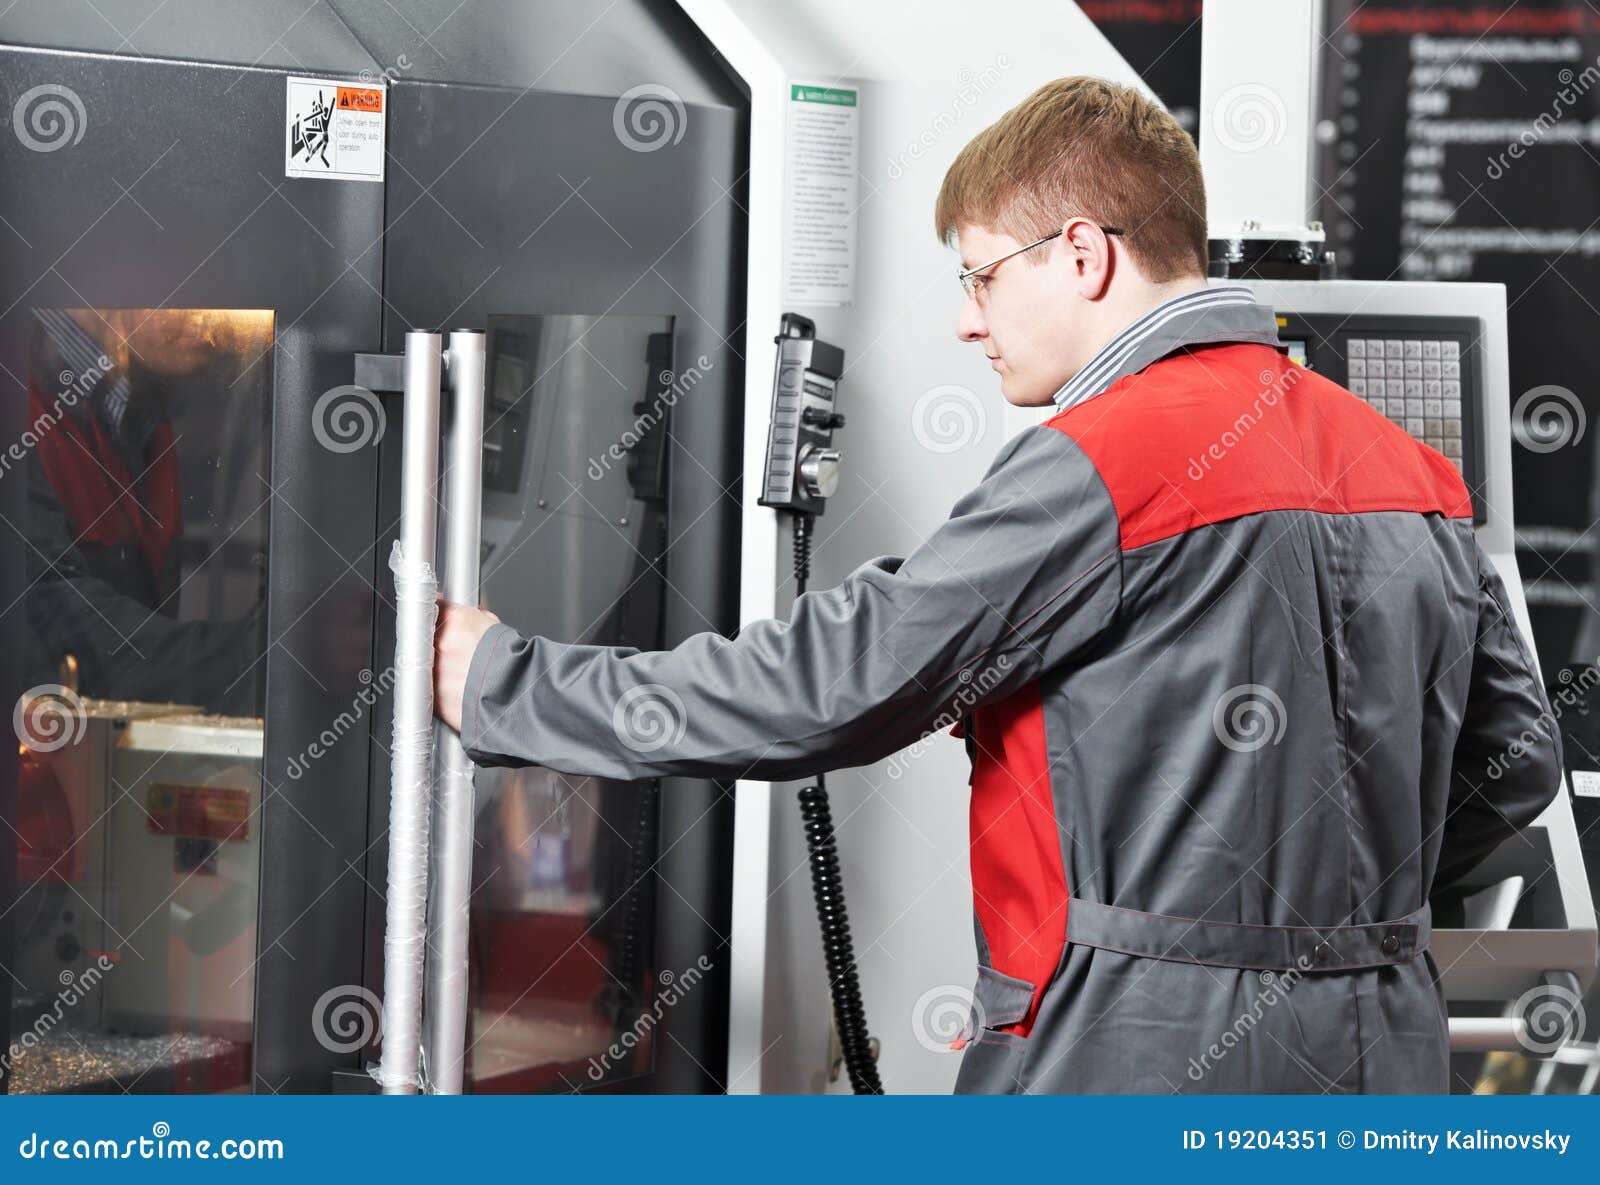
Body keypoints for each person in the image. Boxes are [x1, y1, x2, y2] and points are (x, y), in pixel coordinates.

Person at [433, 77, 1561, 1093]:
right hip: (1386, 1051)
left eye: (977, 275)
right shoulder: (1411, 468)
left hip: (1136, 1051)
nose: (965, 319)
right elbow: (1514, 769)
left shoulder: (1105, 461)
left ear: (1082, 254)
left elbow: (829, 688)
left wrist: (507, 679)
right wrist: (1335, 911)